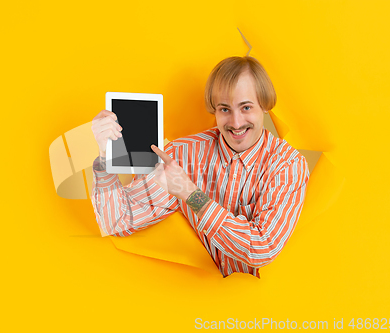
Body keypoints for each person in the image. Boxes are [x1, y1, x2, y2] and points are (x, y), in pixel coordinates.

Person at [90, 56, 310, 278]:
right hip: (194, 300)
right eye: (225, 109)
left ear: (264, 105)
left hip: (263, 305)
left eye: (245, 107)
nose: (235, 122)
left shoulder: (288, 165)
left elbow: (261, 247)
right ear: (214, 110)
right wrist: (105, 158)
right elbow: (118, 221)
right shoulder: (181, 156)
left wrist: (189, 193)